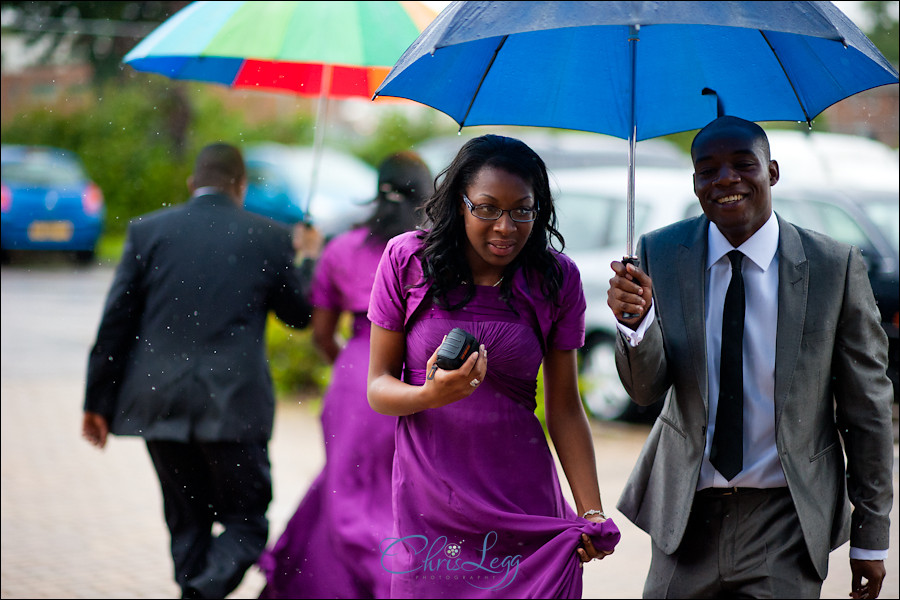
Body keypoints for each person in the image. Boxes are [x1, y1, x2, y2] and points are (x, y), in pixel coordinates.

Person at [607, 116, 894, 599]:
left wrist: (871, 539)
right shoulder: (661, 252)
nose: (726, 179)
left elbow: (868, 411)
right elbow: (644, 390)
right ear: (695, 182)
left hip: (786, 518)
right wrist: (634, 325)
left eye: (743, 164)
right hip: (686, 517)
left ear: (772, 172)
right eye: (708, 169)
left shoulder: (833, 266)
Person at [366, 134, 621, 599]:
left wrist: (591, 511)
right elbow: (378, 387)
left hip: (524, 511)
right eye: (487, 208)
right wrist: (429, 395)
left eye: (522, 210)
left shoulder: (555, 278)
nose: (505, 227)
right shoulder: (407, 260)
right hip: (431, 512)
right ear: (458, 203)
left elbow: (565, 408)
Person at [82, 142, 319, 599]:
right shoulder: (267, 236)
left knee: (185, 520)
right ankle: (201, 594)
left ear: (193, 184)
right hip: (233, 406)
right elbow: (299, 315)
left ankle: (193, 591)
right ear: (241, 186)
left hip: (159, 400)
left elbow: (115, 324)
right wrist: (306, 258)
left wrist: (97, 404)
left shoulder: (147, 231)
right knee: (246, 521)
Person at [258, 151, 433, 599]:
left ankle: (326, 585)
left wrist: (353, 364)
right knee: (400, 490)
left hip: (357, 377)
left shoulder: (341, 248)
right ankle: (393, 577)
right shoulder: (431, 255)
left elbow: (321, 335)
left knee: (344, 485)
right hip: (413, 381)